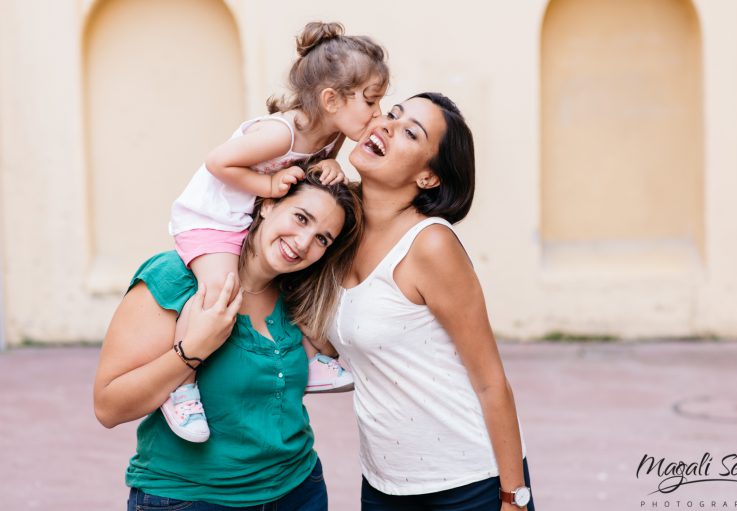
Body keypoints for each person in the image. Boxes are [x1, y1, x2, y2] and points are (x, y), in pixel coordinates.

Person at [165, 21, 388, 441]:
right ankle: (180, 387)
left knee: (294, 282)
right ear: (330, 99)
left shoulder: (330, 136)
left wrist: (336, 166)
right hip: (210, 219)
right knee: (220, 291)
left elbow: (309, 177)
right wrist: (267, 186)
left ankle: (309, 357)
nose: (377, 114)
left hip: (247, 218)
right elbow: (218, 163)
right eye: (372, 101)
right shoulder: (280, 133)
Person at [93, 171, 362, 510]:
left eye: (322, 238)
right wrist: (192, 352)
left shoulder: (299, 294)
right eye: (300, 217)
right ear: (267, 204)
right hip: (191, 498)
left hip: (298, 489)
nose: (304, 242)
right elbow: (109, 406)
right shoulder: (176, 278)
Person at [327, 93, 535, 510]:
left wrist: (513, 498)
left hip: (467, 485)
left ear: (428, 178)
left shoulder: (431, 246)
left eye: (409, 132)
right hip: (384, 486)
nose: (385, 125)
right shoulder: (339, 231)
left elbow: (490, 381)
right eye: (392, 113)